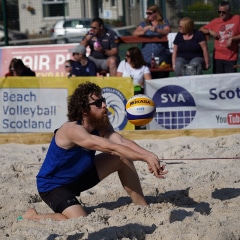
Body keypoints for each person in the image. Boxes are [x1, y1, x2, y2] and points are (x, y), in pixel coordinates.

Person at [18, 81, 168, 221]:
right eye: (98, 103)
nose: (104, 105)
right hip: (54, 185)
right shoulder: (72, 130)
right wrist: (143, 158)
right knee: (79, 219)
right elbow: (110, 147)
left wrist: (149, 155)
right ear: (84, 110)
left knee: (122, 158)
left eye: (103, 101)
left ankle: (142, 207)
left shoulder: (101, 124)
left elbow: (121, 142)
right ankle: (31, 216)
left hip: (80, 176)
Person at [199, 1, 240, 74]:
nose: (221, 14)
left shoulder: (237, 19)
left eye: (223, 12)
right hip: (217, 57)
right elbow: (201, 29)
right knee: (218, 80)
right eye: (219, 12)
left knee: (230, 80)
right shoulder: (216, 21)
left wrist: (232, 38)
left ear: (229, 11)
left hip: (231, 57)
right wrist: (210, 31)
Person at [132, 4, 171, 78]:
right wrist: (144, 30)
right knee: (149, 77)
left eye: (150, 13)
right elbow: (135, 33)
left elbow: (167, 30)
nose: (148, 15)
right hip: (147, 57)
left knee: (162, 78)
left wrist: (157, 30)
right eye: (147, 13)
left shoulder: (163, 22)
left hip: (162, 56)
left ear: (156, 13)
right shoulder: (144, 23)